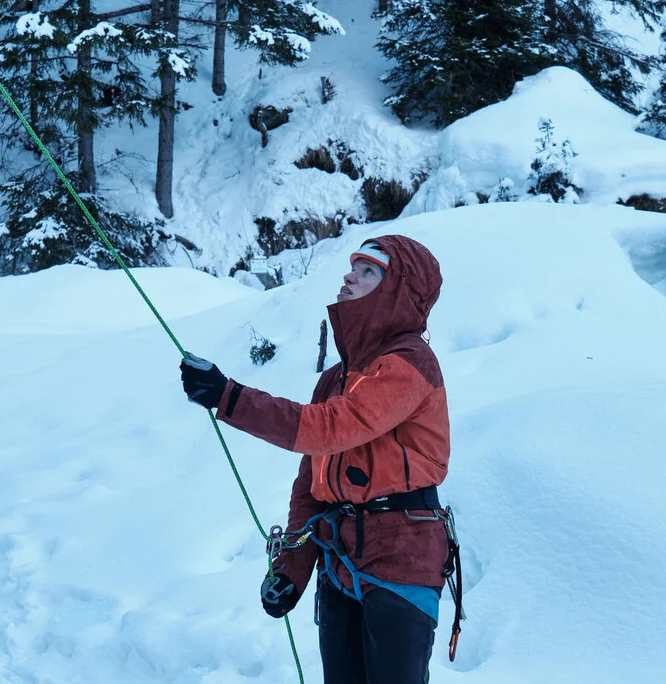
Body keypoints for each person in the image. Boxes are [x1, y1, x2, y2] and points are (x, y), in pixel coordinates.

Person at [179, 236, 458, 684]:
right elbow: (311, 487)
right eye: (353, 267)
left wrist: (228, 397)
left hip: (402, 561)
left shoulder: (411, 362)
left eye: (369, 271)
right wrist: (292, 570)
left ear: (399, 290)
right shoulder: (335, 378)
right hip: (339, 563)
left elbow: (331, 427)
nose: (350, 275)